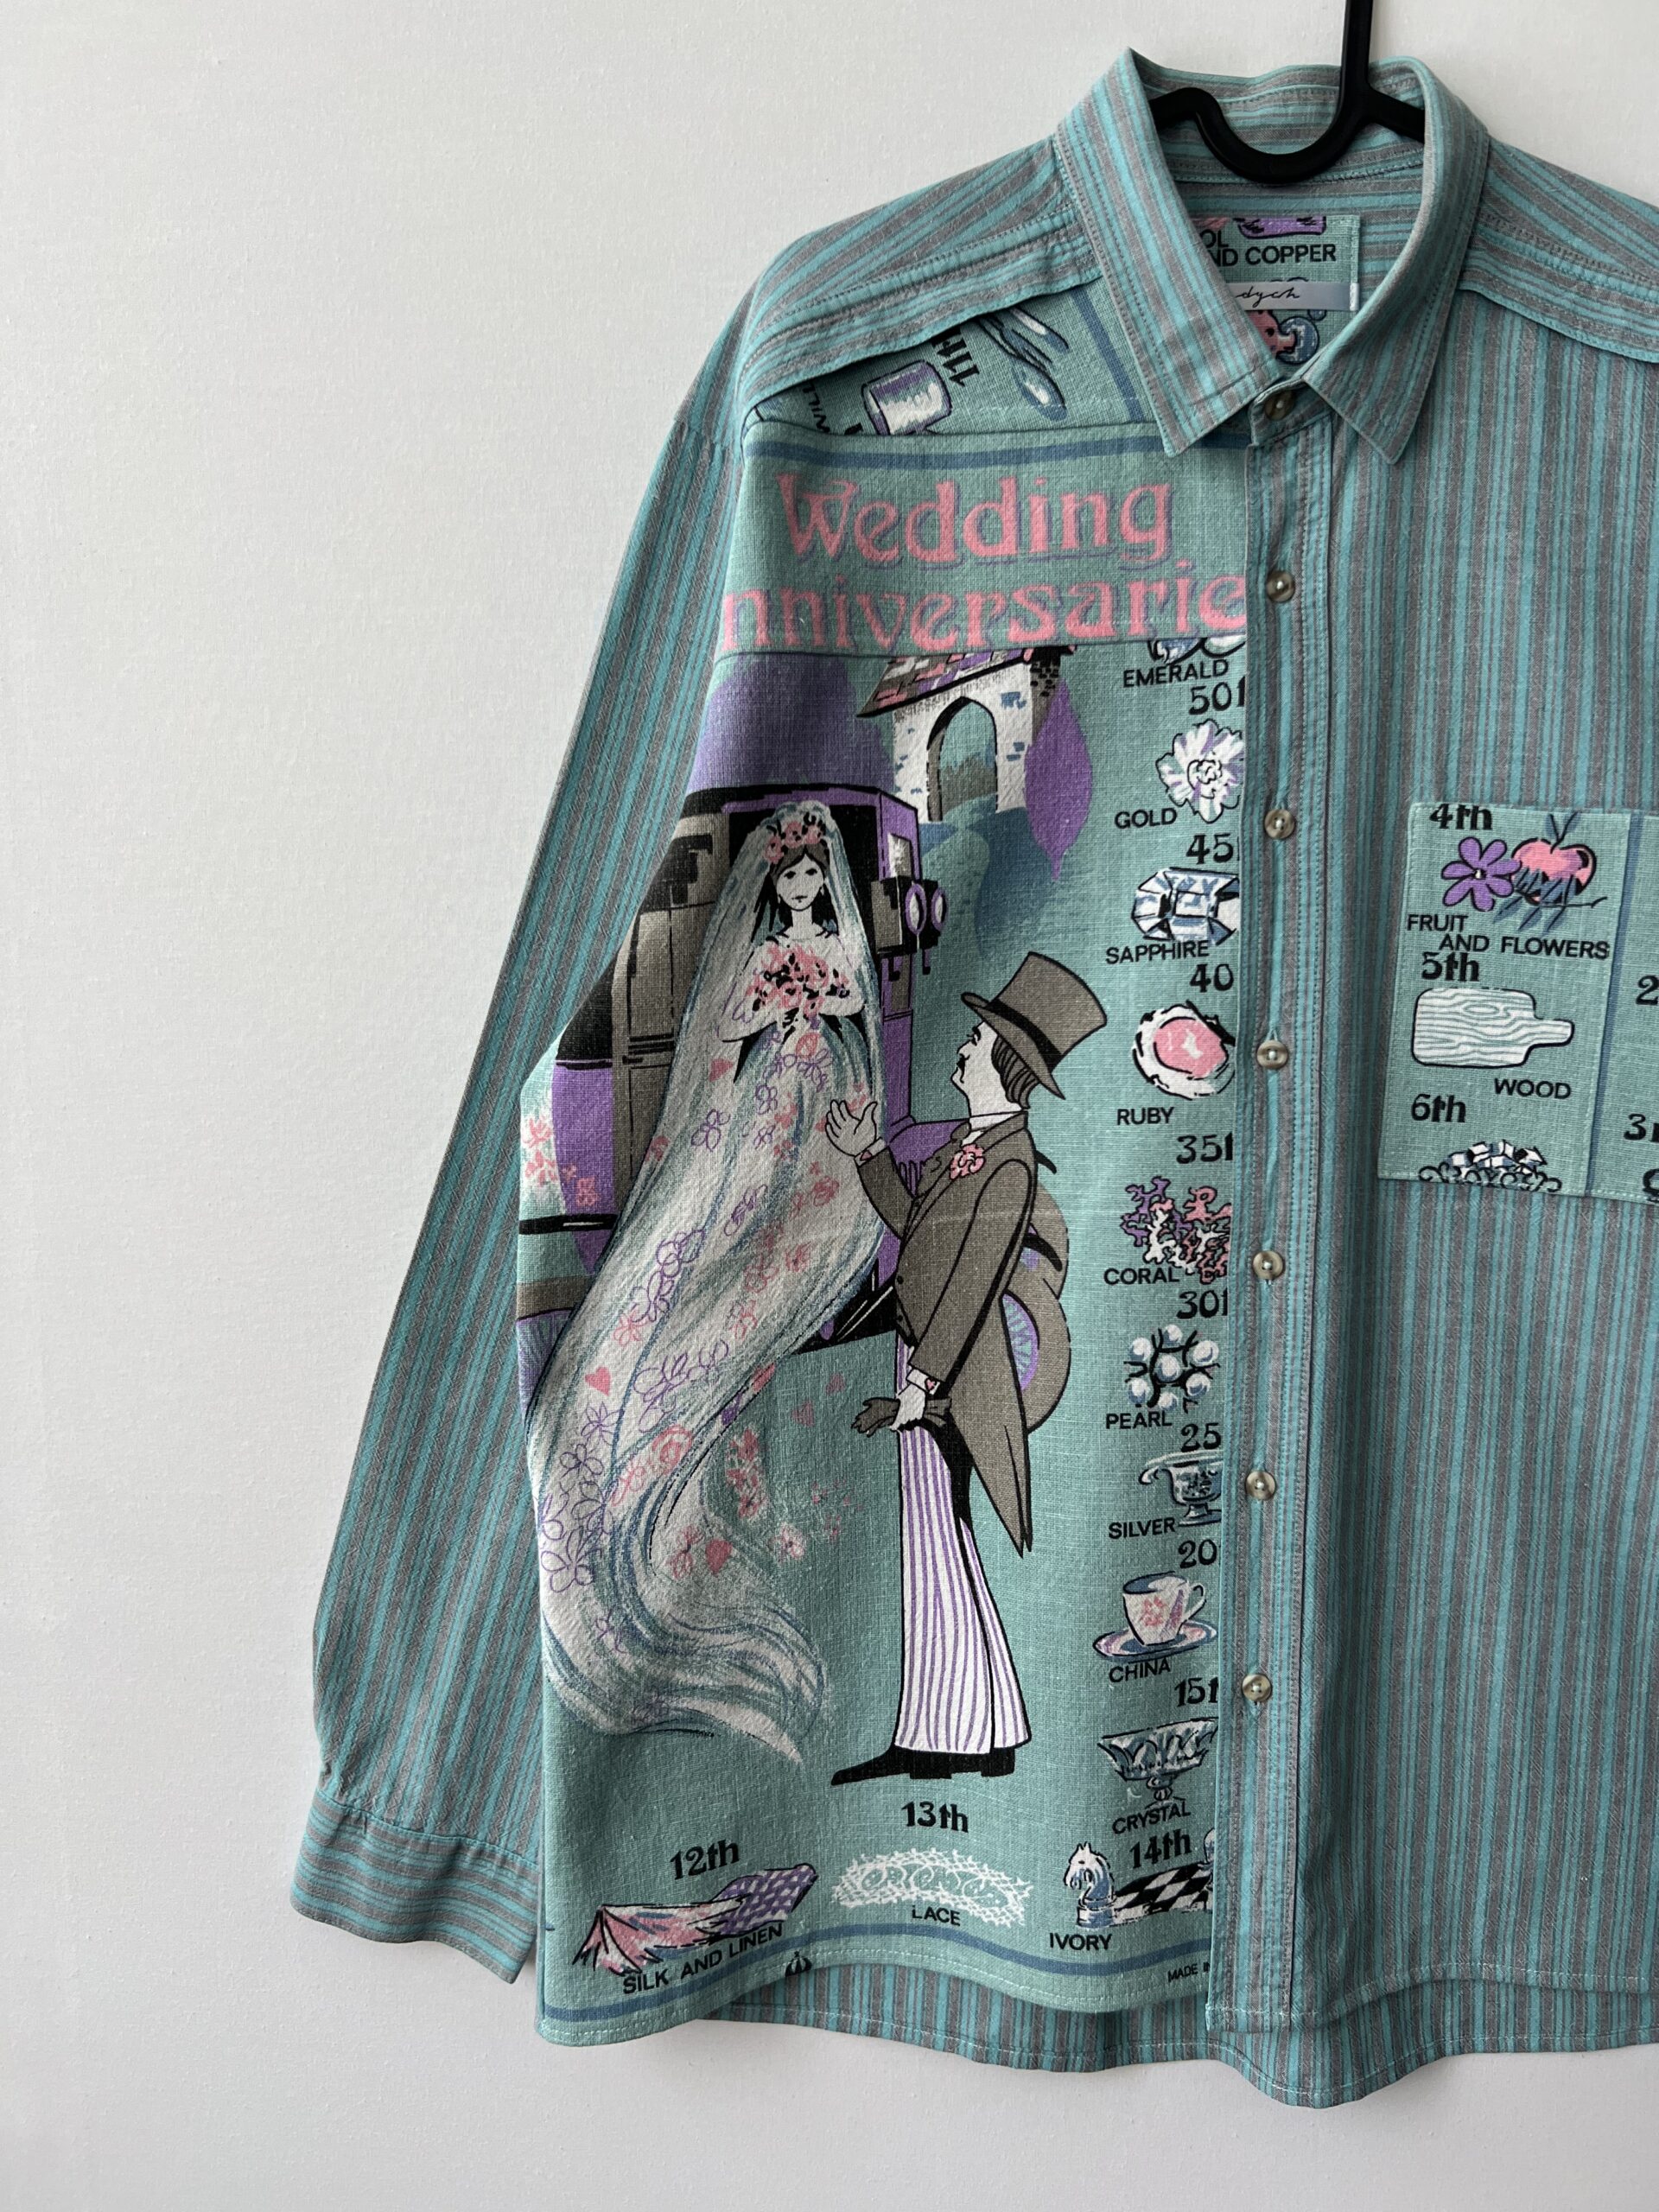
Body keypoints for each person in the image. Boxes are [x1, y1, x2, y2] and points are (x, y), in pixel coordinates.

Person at [523, 801, 884, 1758]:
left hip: (818, 1093)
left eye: (812, 880)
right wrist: (778, 1000)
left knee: (808, 1217)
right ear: (775, 884)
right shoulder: (763, 952)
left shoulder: (832, 945)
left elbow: (853, 997)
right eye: (792, 878)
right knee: (736, 1207)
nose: (802, 889)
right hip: (768, 1097)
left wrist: (821, 997)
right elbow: (730, 1017)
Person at [825, 952, 1106, 1782]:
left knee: (938, 1539)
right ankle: (987, 1728)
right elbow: (919, 1231)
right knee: (942, 1536)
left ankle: (942, 1735)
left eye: (977, 1042)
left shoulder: (1009, 1163)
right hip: (928, 1357)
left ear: (1007, 1065)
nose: (962, 1049)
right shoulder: (968, 1145)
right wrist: (869, 1153)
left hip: (951, 1372)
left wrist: (920, 1388)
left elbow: (971, 1286)